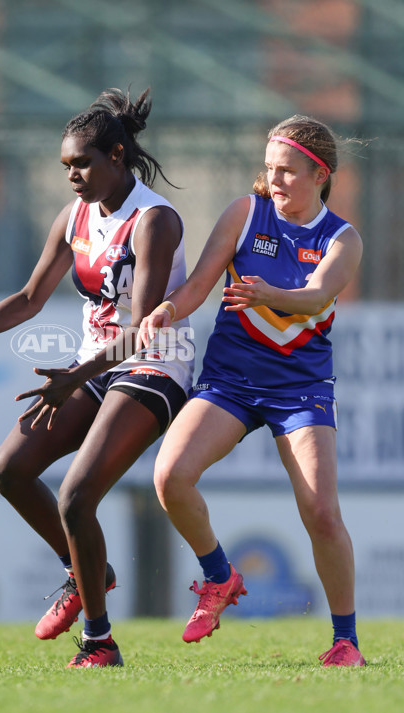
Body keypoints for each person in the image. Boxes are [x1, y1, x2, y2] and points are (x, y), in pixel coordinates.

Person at [0, 88, 194, 668]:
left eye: (83, 163)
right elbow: (29, 299)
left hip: (154, 366)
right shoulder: (73, 216)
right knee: (10, 469)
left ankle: (99, 644)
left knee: (76, 496)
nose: (72, 175)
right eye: (66, 166)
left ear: (118, 156)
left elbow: (143, 331)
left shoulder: (154, 221)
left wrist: (74, 377)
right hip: (92, 368)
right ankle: (88, 573)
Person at [137, 115, 366, 667]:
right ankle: (220, 577)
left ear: (320, 174)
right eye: (269, 169)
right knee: (169, 476)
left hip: (300, 389)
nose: (274, 180)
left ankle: (345, 642)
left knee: (323, 514)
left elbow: (314, 299)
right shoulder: (246, 212)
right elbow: (198, 284)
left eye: (286, 171)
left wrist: (270, 294)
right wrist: (167, 309)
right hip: (231, 381)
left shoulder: (342, 238)